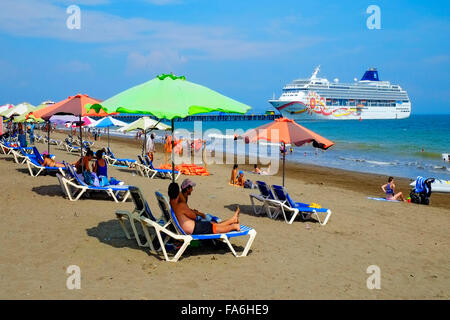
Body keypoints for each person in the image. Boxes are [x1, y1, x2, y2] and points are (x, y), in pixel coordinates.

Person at [168, 182, 240, 235]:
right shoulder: (181, 205)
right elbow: (193, 216)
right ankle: (234, 226)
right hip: (193, 228)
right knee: (215, 228)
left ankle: (232, 220)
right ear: (178, 193)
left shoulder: (171, 203)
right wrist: (195, 212)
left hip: (186, 228)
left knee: (212, 224)